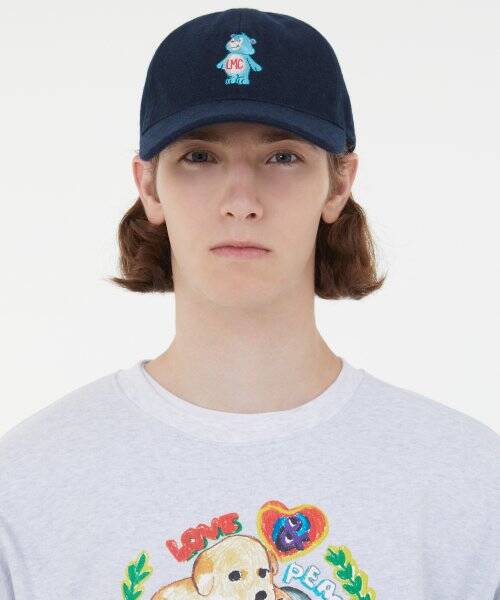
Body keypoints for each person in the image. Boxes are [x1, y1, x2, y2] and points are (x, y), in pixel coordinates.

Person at [1, 8, 499, 600]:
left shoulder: (470, 486)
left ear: (339, 183)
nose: (241, 201)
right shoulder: (28, 485)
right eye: (199, 157)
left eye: (282, 156)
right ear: (149, 186)